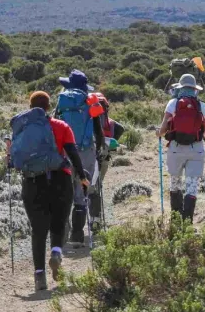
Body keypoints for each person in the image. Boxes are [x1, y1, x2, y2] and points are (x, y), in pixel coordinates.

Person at [10, 91, 91, 293]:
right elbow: (72, 153)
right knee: (58, 222)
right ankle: (56, 253)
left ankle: (39, 277)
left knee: (38, 230)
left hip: (32, 182)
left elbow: (13, 157)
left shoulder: (22, 127)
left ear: (31, 107)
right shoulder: (61, 126)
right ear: (49, 107)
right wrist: (82, 176)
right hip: (60, 179)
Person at [55, 70, 106, 246]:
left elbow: (54, 124)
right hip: (85, 151)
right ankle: (77, 236)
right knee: (81, 191)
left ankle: (62, 233)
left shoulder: (62, 99)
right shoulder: (90, 101)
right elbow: (98, 131)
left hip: (64, 151)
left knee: (62, 191)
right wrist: (98, 151)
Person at [156, 73, 205, 222]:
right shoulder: (202, 105)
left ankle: (175, 220)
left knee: (175, 183)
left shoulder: (173, 104)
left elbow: (162, 130)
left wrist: (159, 132)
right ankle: (187, 223)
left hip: (176, 149)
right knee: (192, 186)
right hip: (196, 150)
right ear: (194, 88)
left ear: (180, 87)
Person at [87, 91, 122, 228]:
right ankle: (96, 220)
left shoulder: (88, 121)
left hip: (88, 155)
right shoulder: (111, 123)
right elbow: (121, 129)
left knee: (86, 187)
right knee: (96, 187)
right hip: (104, 157)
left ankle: (81, 220)